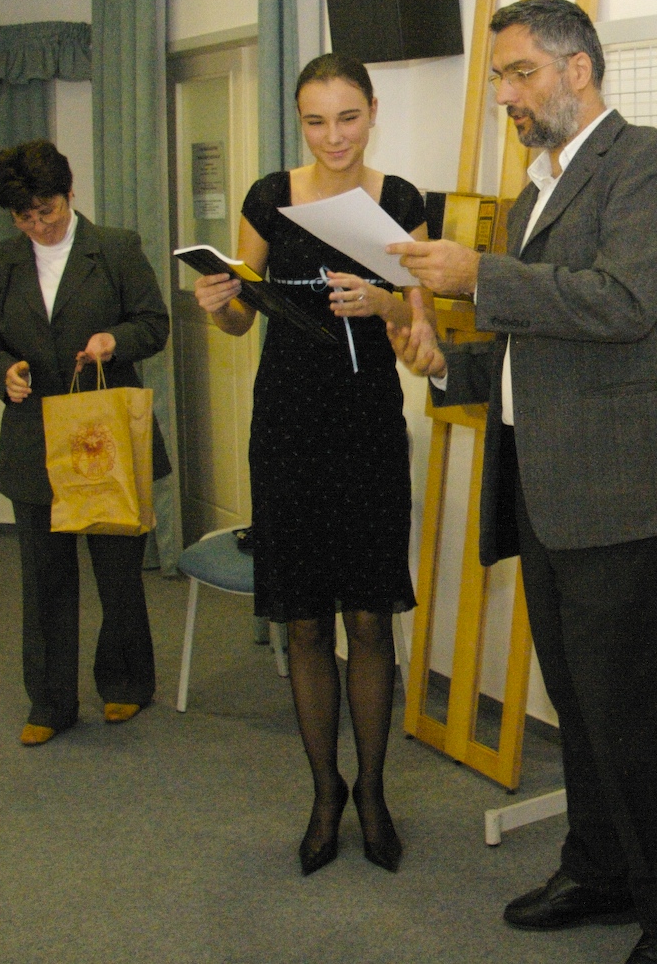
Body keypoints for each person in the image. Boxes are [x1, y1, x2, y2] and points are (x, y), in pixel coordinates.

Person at [387, 0, 657, 964]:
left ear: (578, 69)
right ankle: (600, 867)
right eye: (499, 77)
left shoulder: (648, 162)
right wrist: (446, 365)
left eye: (520, 73)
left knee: (631, 716)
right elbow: (538, 344)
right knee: (578, 701)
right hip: (545, 484)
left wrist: (478, 277)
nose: (506, 94)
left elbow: (621, 303)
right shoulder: (536, 189)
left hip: (617, 492)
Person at [191, 54, 427, 876]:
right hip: (287, 426)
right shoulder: (268, 197)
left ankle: (373, 792)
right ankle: (325, 793)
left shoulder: (401, 202)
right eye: (316, 121)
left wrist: (386, 302)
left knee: (368, 617)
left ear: (373, 112)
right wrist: (219, 306)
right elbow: (241, 319)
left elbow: (421, 335)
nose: (334, 136)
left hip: (366, 428)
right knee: (303, 621)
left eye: (348, 117)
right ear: (300, 121)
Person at [0, 140, 172, 747]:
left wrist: (113, 341)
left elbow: (154, 324)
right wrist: (2, 372)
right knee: (44, 578)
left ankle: (127, 682)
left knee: (117, 572)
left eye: (47, 210)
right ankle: (51, 701)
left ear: (69, 193)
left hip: (103, 433)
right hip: (34, 437)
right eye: (24, 216)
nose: (39, 225)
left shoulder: (115, 248)